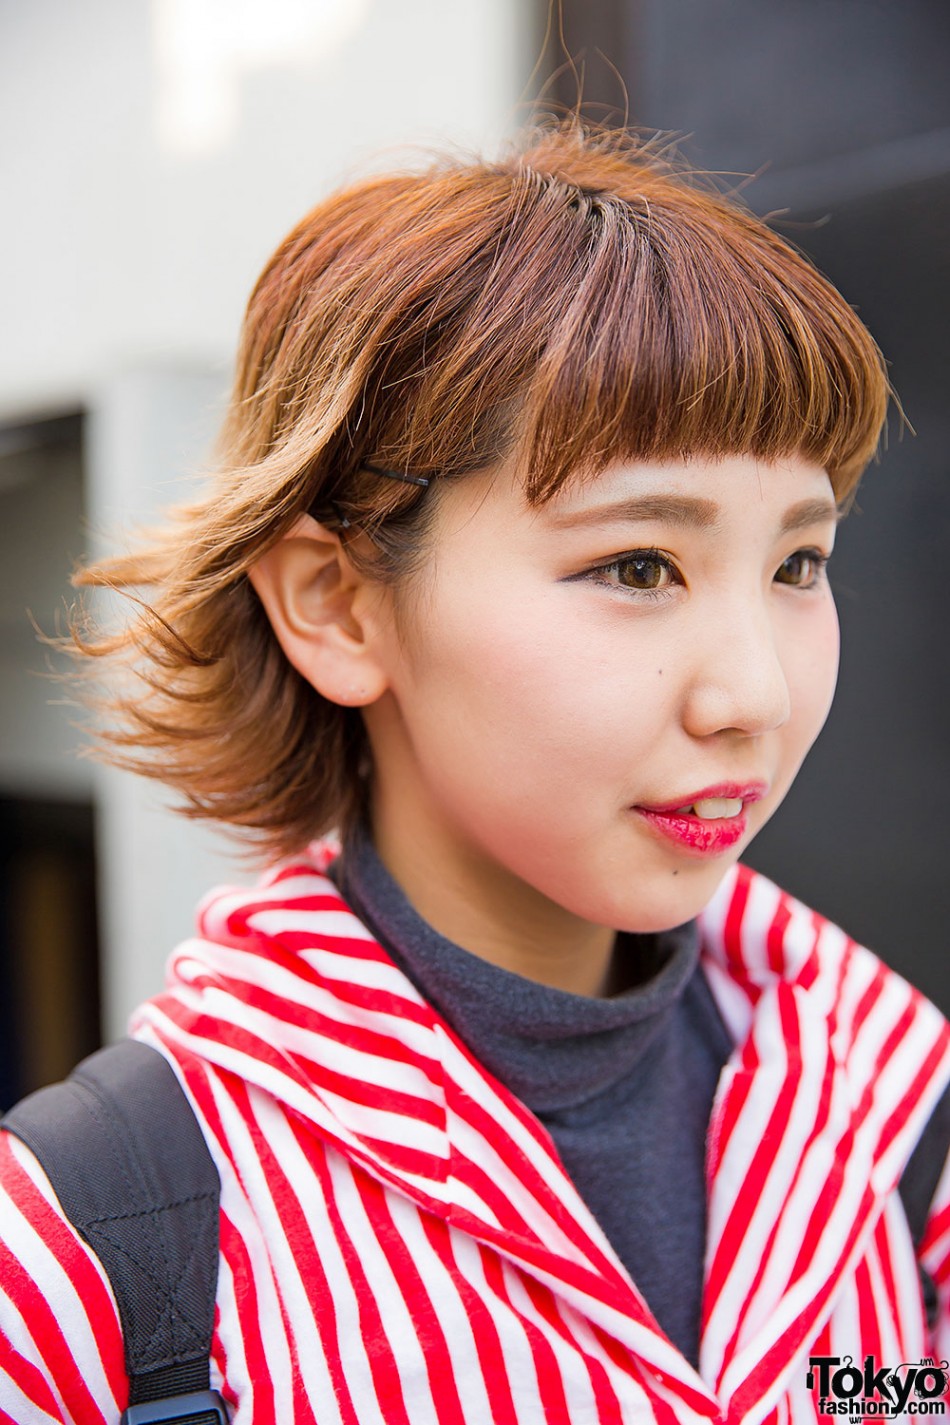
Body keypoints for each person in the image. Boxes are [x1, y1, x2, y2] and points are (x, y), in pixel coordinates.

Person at [1, 122, 948, 1424]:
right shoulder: (94, 1243)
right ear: (336, 604)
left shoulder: (898, 1115)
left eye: (796, 563)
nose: (755, 696)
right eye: (636, 566)